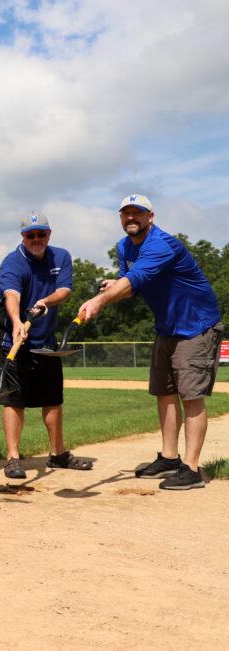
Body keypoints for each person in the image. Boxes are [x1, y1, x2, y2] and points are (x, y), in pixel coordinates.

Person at [78, 195, 222, 490]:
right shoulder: (124, 247)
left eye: (138, 213)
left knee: (191, 395)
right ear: (121, 218)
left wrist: (99, 300)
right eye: (126, 213)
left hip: (195, 324)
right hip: (167, 326)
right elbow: (131, 285)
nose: (132, 218)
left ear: (150, 217)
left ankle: (192, 469)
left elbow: (136, 278)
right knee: (164, 392)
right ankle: (169, 458)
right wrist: (112, 287)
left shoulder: (161, 244)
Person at [0, 212, 92, 479]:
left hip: (45, 340)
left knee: (52, 399)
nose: (36, 239)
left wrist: (44, 302)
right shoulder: (13, 262)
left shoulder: (60, 256)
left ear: (49, 234)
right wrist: (16, 321)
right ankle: (13, 458)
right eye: (30, 235)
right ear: (23, 237)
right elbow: (11, 294)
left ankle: (58, 454)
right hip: (11, 340)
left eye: (41, 234)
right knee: (14, 401)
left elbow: (65, 290)